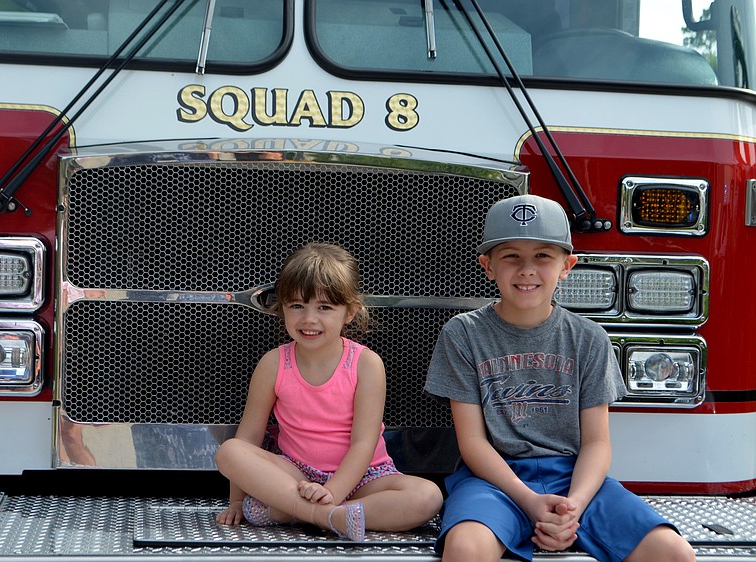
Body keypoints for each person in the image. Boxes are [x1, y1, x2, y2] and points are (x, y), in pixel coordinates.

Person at [424, 195, 695, 562]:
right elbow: (472, 443)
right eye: (511, 256)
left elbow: (597, 443)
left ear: (567, 266)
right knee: (464, 549)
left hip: (575, 480)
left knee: (673, 552)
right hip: (493, 481)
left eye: (542, 256)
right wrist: (529, 501)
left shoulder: (589, 339)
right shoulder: (463, 334)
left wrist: (574, 508)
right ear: (487, 266)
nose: (526, 269)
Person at [215, 242, 443, 541]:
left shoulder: (365, 363)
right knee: (230, 451)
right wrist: (235, 501)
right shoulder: (274, 363)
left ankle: (298, 512)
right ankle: (328, 517)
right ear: (282, 307)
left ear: (349, 312)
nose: (309, 319)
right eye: (297, 305)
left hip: (364, 478)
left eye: (324, 307)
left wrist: (332, 492)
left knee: (427, 496)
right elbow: (249, 436)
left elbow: (364, 442)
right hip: (295, 474)